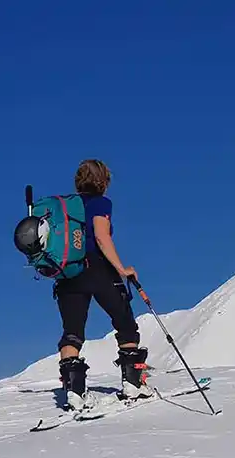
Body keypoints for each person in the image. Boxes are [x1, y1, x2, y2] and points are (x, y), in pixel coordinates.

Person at [54, 159, 154, 410]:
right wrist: (122, 269)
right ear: (103, 181)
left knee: (72, 332)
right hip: (97, 270)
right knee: (125, 324)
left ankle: (75, 393)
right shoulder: (100, 203)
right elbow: (101, 235)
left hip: (67, 273)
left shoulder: (67, 207)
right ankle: (134, 384)